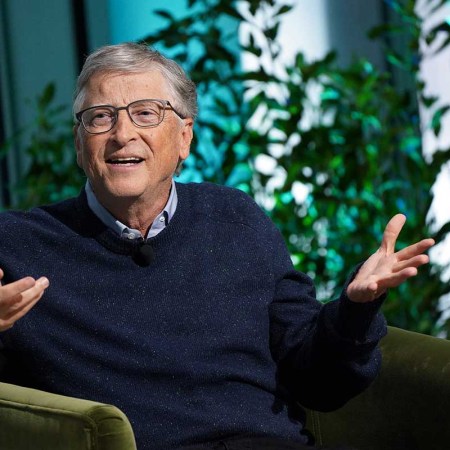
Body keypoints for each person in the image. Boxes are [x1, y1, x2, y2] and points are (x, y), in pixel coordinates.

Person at [0, 43, 434, 450]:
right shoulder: (18, 243)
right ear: (80, 142)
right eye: (100, 117)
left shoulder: (234, 217)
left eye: (145, 113)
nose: (122, 133)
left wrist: (357, 308)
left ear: (184, 136)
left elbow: (316, 381)